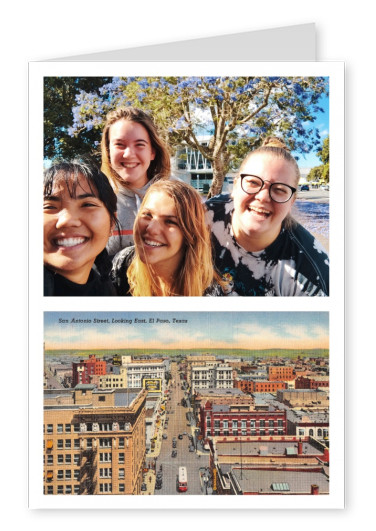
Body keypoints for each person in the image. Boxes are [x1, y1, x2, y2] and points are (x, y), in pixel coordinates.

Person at [206, 137, 329, 296]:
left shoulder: (311, 274)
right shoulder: (202, 217)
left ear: (292, 201)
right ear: (235, 186)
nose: (263, 197)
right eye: (253, 183)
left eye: (279, 189)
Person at [111, 180, 223, 296]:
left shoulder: (209, 293)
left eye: (170, 222)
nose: (151, 229)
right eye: (147, 215)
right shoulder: (122, 264)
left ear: (190, 234)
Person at [101, 106, 171, 257]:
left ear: (152, 152)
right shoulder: (96, 200)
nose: (129, 154)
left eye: (139, 144)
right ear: (108, 151)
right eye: (119, 144)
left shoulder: (176, 197)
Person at [44, 158, 118, 296]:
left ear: (112, 223)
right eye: (49, 207)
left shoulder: (107, 291)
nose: (67, 220)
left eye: (87, 205)